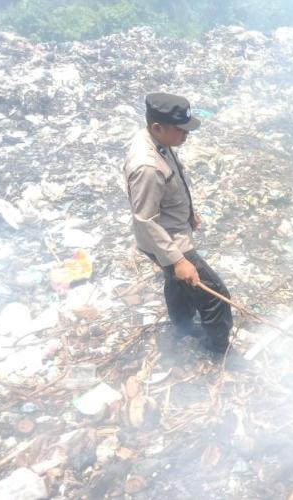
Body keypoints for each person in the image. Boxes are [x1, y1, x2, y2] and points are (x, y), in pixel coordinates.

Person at [123, 92, 233, 356]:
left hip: (171, 230)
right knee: (215, 294)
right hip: (168, 241)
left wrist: (188, 212)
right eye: (181, 130)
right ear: (158, 128)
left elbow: (171, 183)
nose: (186, 135)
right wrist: (177, 260)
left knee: (176, 283)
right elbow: (144, 220)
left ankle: (182, 327)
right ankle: (219, 350)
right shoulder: (147, 166)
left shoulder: (157, 140)